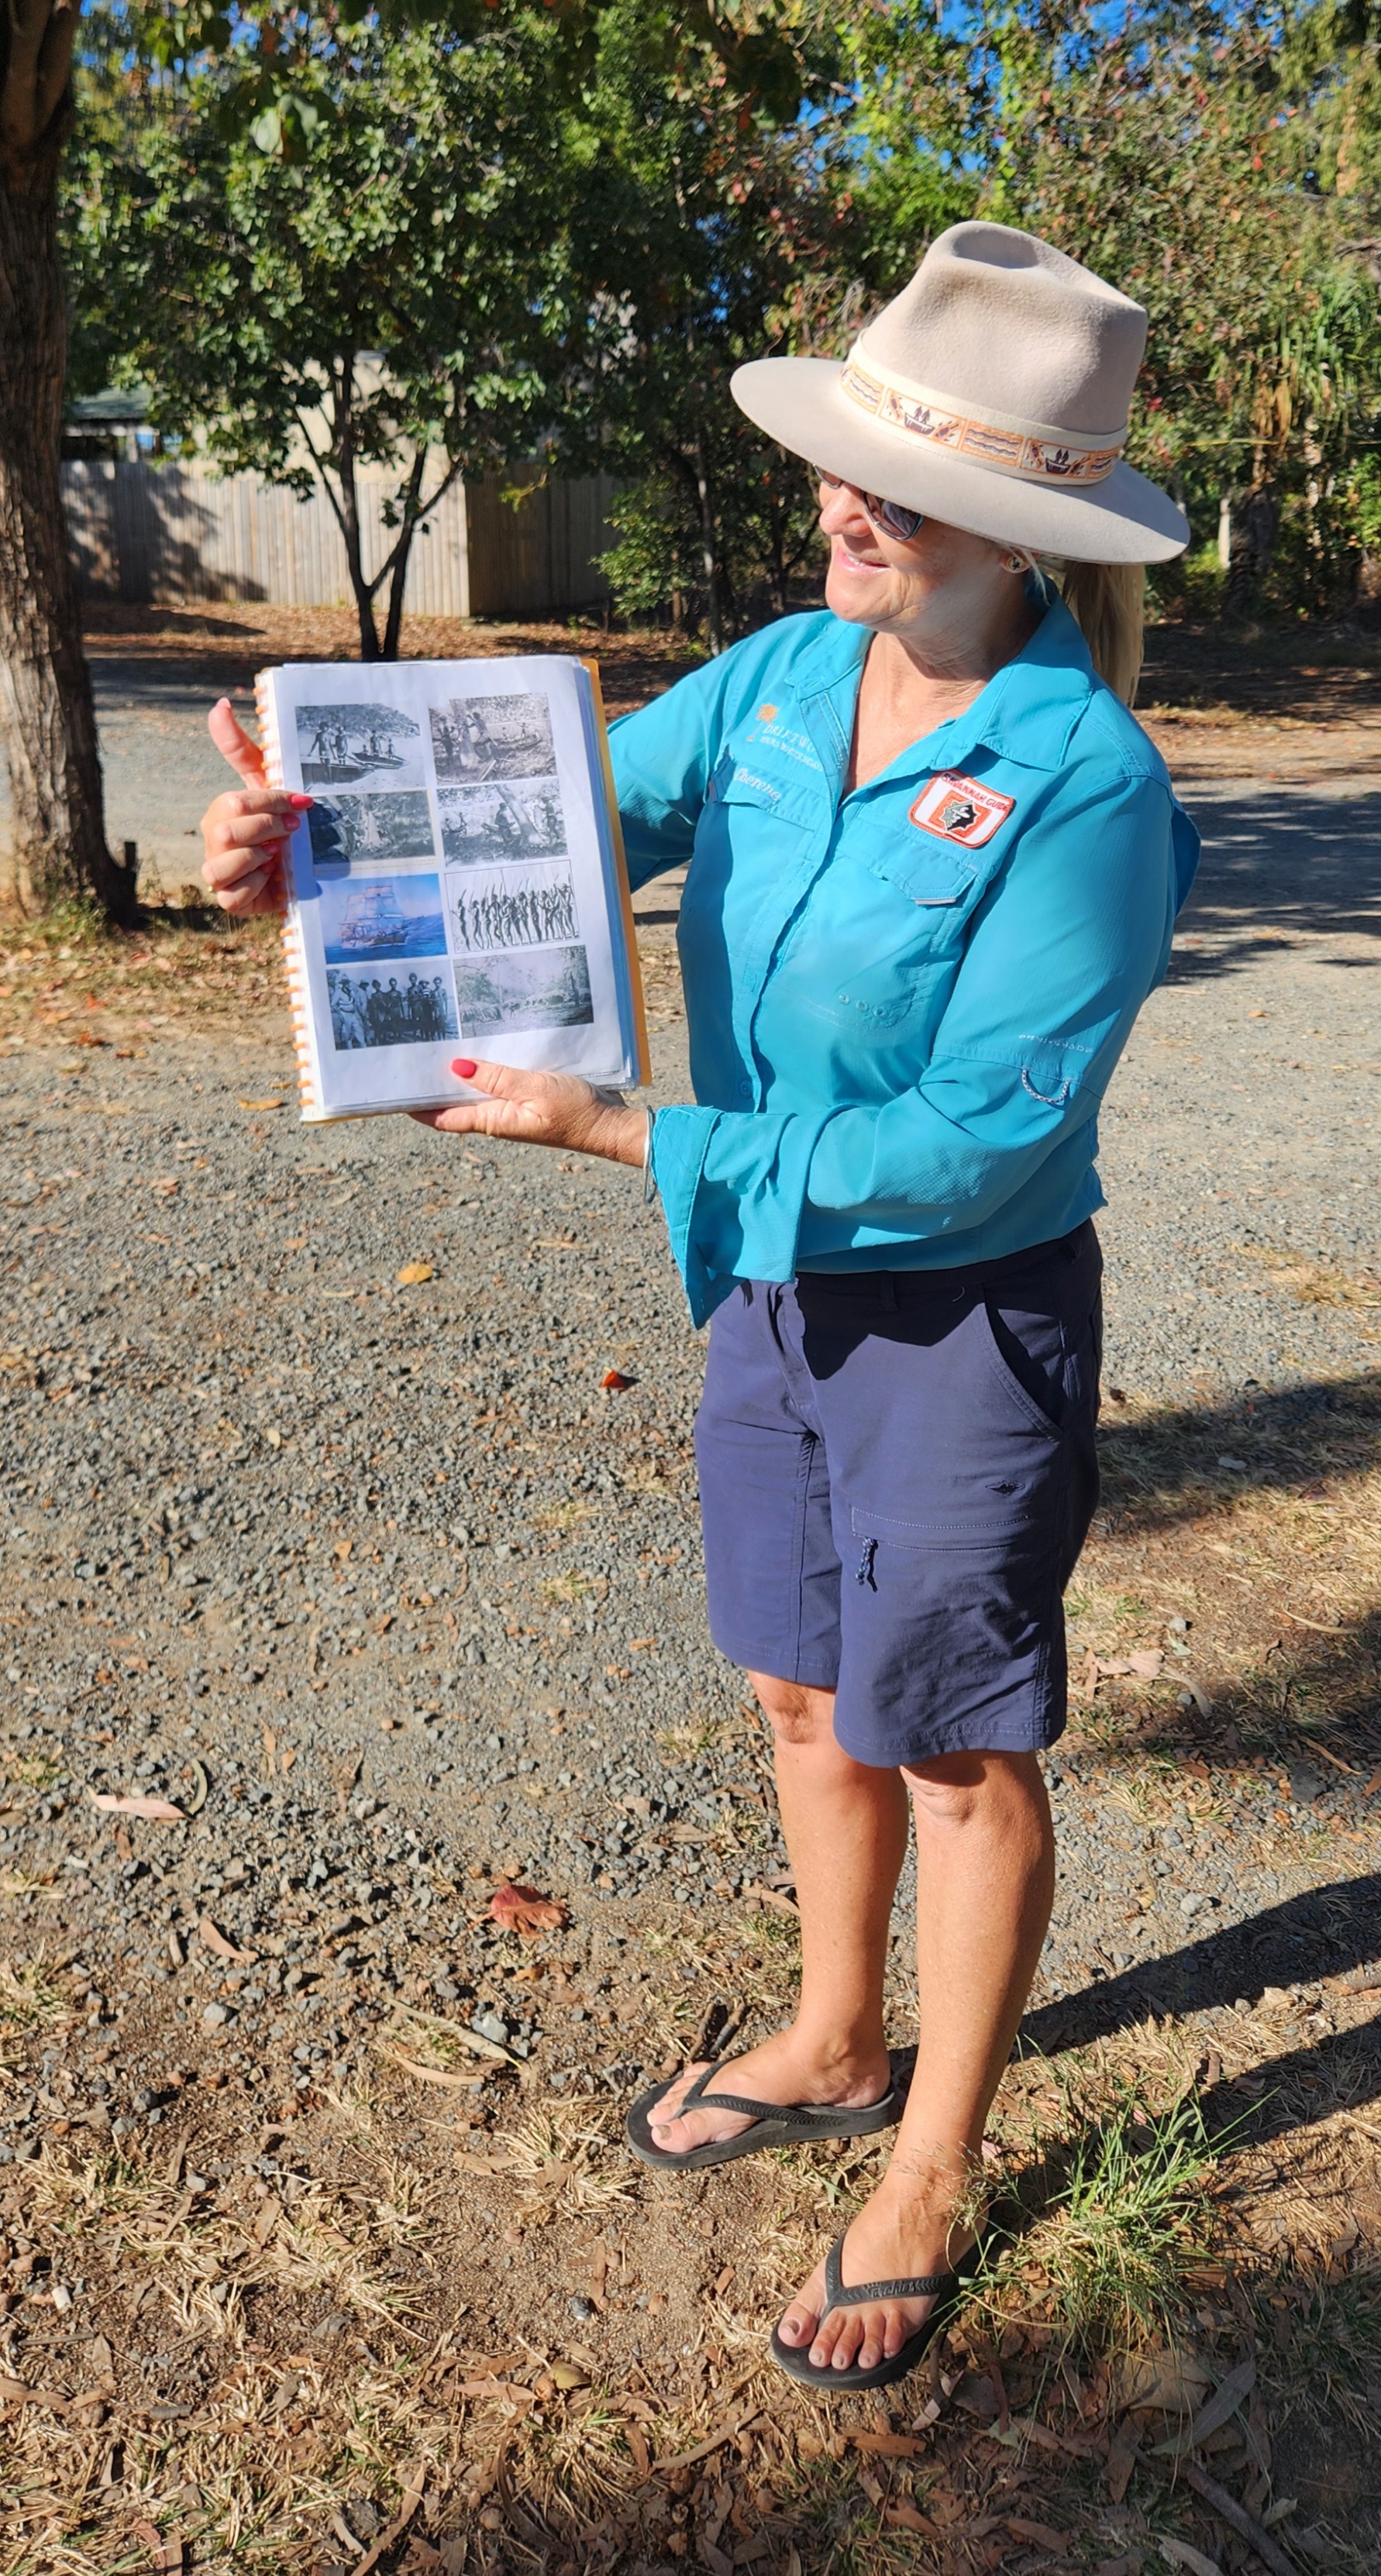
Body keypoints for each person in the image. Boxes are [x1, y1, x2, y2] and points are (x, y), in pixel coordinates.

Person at [198, 220, 1198, 2394]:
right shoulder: (770, 681)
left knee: (949, 1737)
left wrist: (623, 1135)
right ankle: (841, 2031)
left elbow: (977, 1146)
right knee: (794, 1688)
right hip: (767, 1288)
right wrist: (316, 856)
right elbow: (541, 831)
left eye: (898, 488)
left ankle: (931, 2161)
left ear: (1020, 527)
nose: (844, 506)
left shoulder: (1089, 788)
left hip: (961, 1316)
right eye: (846, 468)